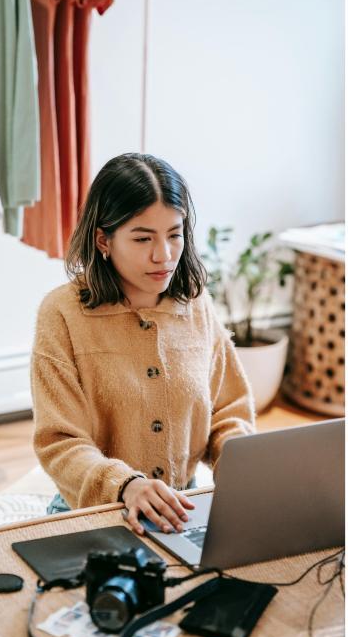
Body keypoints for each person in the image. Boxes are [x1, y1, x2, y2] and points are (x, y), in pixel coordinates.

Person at [31, 152, 255, 536]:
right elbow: (59, 441)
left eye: (174, 234)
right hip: (93, 510)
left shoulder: (197, 306)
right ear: (103, 239)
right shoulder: (62, 314)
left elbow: (228, 411)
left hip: (183, 511)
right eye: (142, 238)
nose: (164, 255)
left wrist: (243, 464)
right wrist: (125, 485)